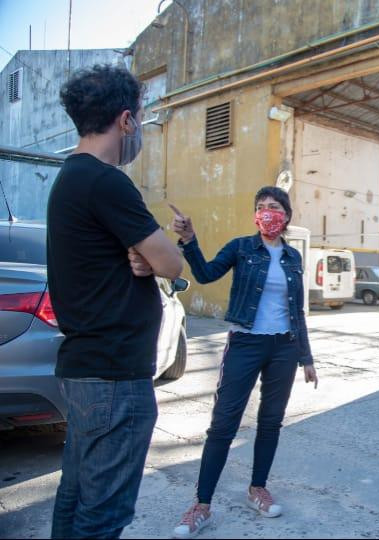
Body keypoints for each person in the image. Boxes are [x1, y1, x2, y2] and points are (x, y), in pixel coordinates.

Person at [48, 64, 184, 539]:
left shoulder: (71, 178)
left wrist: (143, 256)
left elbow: (141, 259)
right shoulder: (106, 181)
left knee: (76, 498)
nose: (140, 128)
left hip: (87, 370)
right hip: (114, 377)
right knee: (102, 516)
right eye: (141, 118)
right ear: (126, 120)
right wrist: (155, 254)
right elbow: (172, 264)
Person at [169, 186, 317, 539]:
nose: (268, 212)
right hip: (245, 343)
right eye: (261, 207)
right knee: (223, 425)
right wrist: (189, 240)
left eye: (275, 207)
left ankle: (258, 489)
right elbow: (204, 275)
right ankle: (201, 504)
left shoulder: (294, 257)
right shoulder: (240, 247)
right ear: (255, 215)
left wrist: (306, 357)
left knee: (271, 422)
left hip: (284, 346)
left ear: (287, 215)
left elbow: (297, 310)